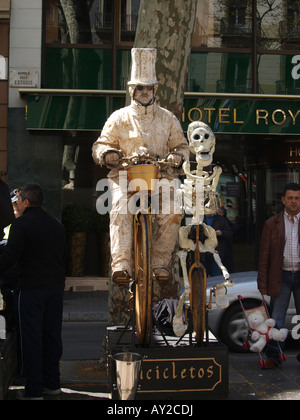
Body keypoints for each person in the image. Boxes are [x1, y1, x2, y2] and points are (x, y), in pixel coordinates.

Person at [92, 48, 189, 282]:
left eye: (148, 87)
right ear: (132, 90)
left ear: (155, 89)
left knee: (175, 205)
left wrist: (178, 156)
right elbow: (99, 146)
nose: (144, 92)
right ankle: (122, 264)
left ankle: (159, 263)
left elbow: (182, 146)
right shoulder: (118, 117)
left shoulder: (168, 118)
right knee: (117, 207)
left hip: (161, 177)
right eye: (140, 87)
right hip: (124, 177)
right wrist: (108, 155)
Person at [0, 183, 67, 399]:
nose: (15, 206)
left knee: (31, 340)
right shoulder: (56, 225)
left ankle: (34, 390)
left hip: (30, 290)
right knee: (51, 338)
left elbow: (10, 257)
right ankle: (52, 384)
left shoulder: (21, 225)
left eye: (17, 201)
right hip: (55, 290)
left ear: (26, 202)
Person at [257, 182, 300, 368]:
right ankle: (274, 358)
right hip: (280, 276)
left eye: (297, 198)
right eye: (290, 198)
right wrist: (263, 283)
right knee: (277, 318)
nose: (293, 201)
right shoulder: (271, 224)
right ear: (283, 200)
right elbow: (264, 255)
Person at [202, 209, 233, 276]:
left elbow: (230, 233)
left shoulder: (221, 219)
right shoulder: (200, 219)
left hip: (216, 252)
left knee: (216, 276)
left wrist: (221, 233)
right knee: (202, 277)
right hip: (203, 253)